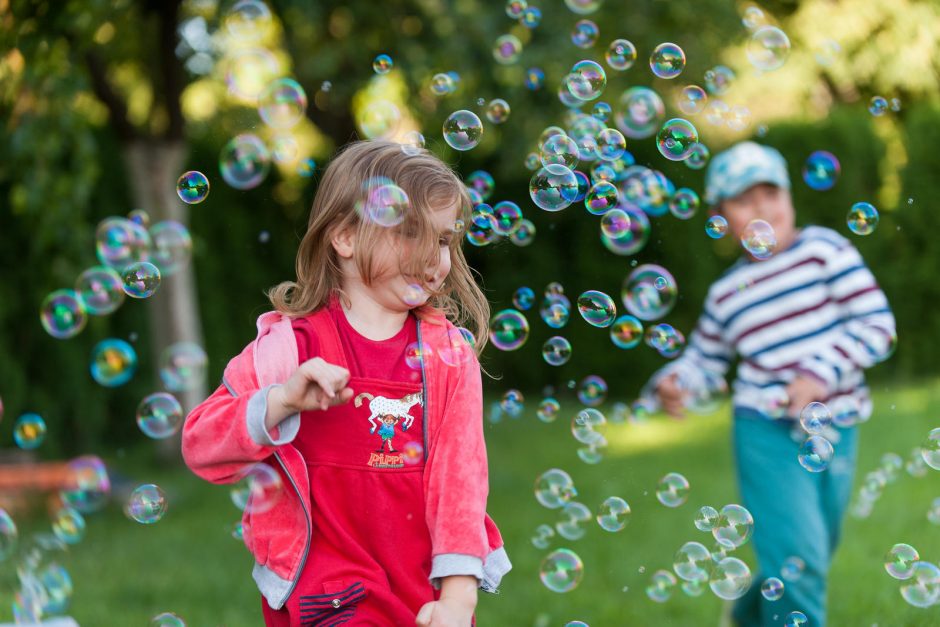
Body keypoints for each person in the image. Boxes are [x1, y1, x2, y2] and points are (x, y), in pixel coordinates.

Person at [182, 140, 511, 627]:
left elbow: (459, 483)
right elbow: (200, 443)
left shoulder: (447, 357)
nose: (433, 255)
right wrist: (280, 401)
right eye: (410, 232)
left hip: (419, 589)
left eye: (442, 240)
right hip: (327, 590)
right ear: (345, 238)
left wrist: (459, 597)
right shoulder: (290, 347)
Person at [644, 142, 895, 626]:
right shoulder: (727, 294)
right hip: (765, 430)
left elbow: (877, 324)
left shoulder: (826, 251)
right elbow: (706, 360)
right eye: (743, 200)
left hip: (837, 424)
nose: (761, 207)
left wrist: (819, 373)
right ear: (721, 218)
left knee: (813, 549)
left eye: (770, 192)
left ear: (791, 196)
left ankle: (747, 616)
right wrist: (676, 381)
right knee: (798, 556)